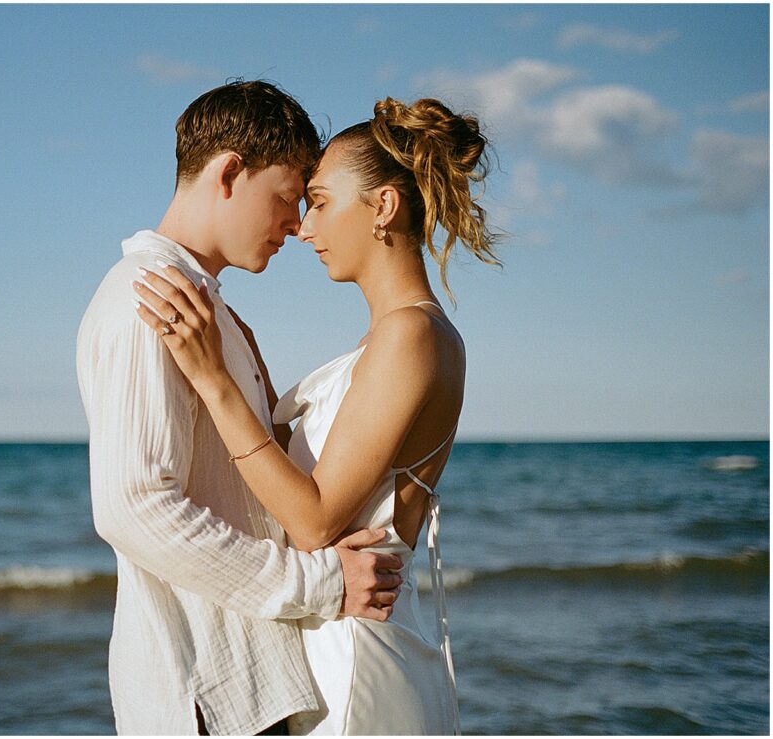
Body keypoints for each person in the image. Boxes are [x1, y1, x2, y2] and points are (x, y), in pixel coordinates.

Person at [132, 96, 500, 735]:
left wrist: (217, 381)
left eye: (322, 201)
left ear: (382, 207)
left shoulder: (411, 336)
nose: (304, 227)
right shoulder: (384, 341)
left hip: (357, 653)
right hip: (335, 636)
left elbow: (313, 520)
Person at [76, 81, 405, 737]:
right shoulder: (152, 302)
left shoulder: (202, 306)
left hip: (238, 693)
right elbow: (134, 504)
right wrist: (319, 583)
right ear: (230, 171)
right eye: (288, 196)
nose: (296, 223)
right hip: (203, 698)